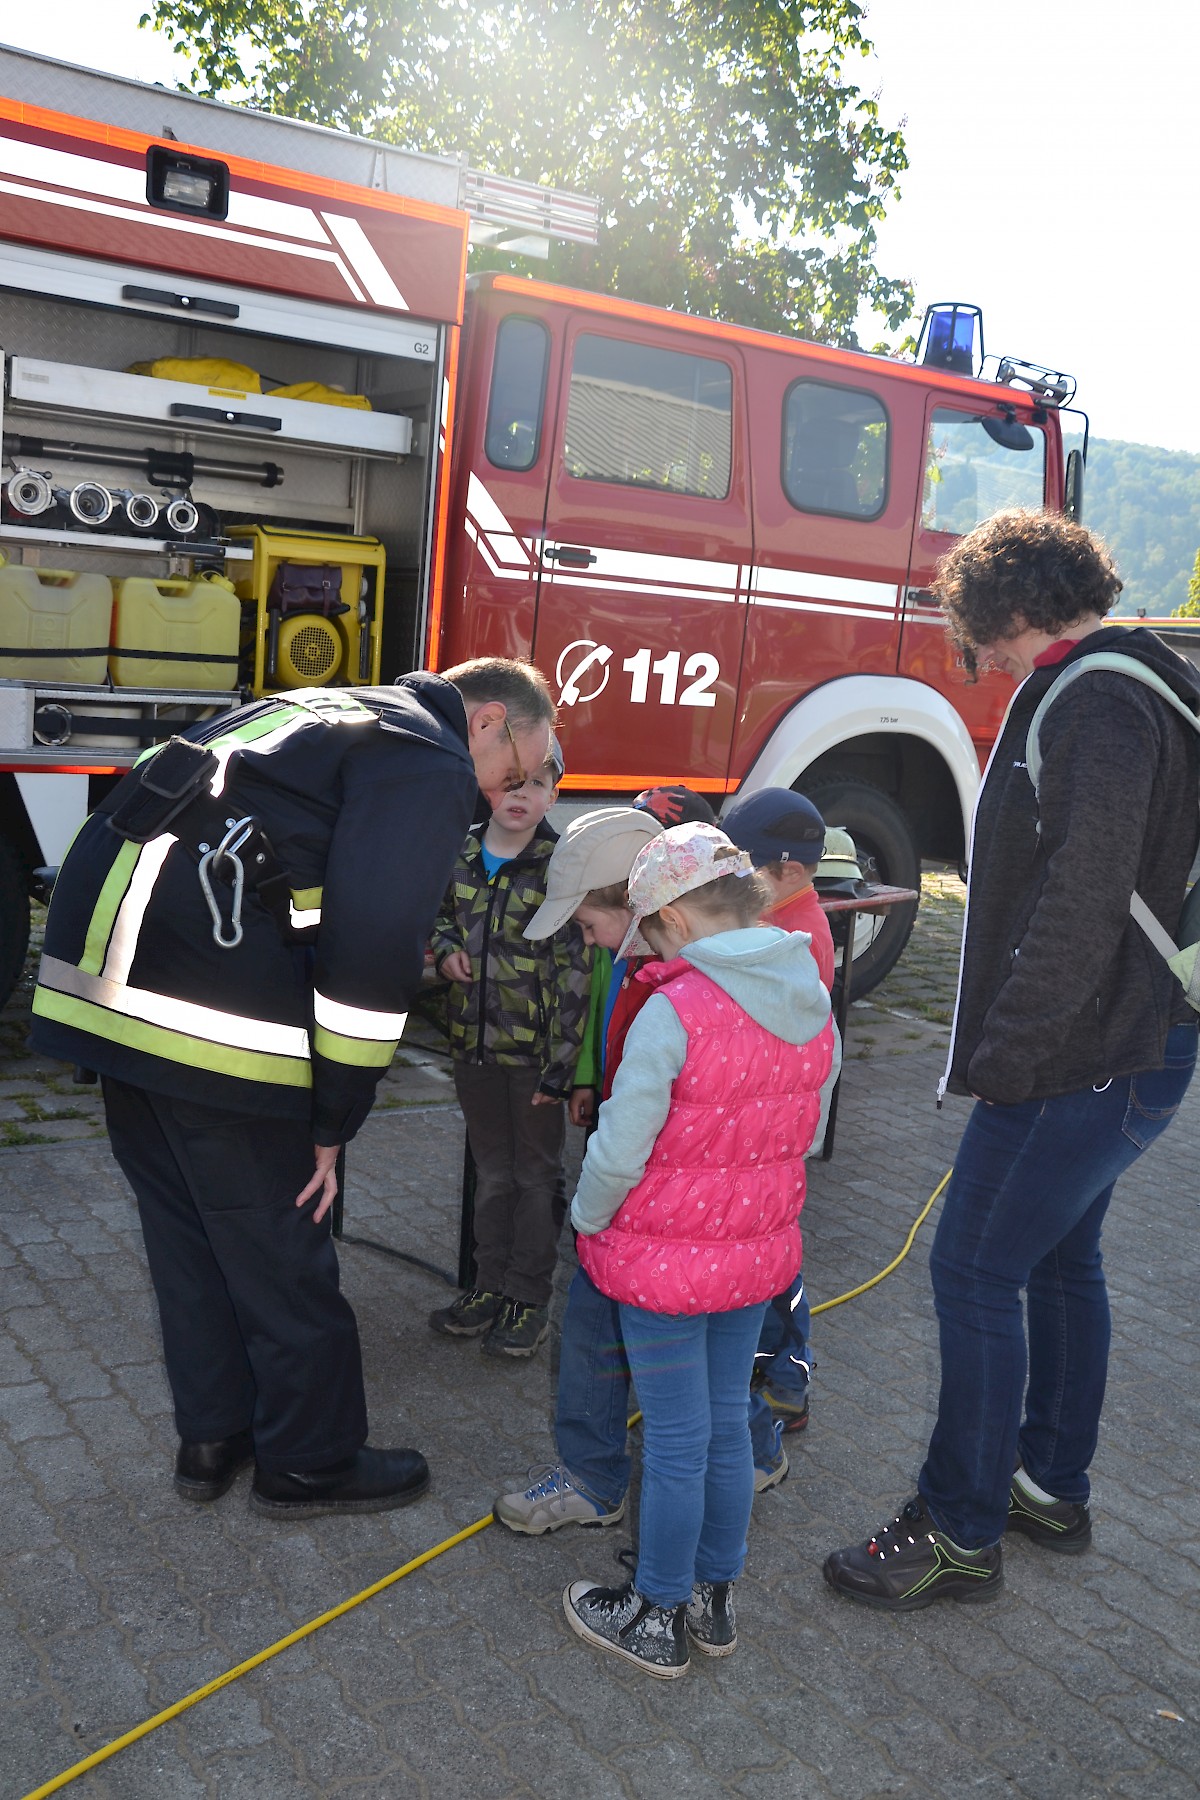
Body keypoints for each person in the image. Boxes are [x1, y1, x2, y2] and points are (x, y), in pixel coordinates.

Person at [31, 658, 554, 1517]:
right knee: (282, 1249)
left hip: (108, 994)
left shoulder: (327, 710)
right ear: (491, 719)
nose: (508, 790)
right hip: (203, 1012)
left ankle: (215, 1436)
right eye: (521, 766)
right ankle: (309, 1459)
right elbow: (375, 943)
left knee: (190, 1238)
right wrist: (332, 1116)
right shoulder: (429, 753)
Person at [824, 509, 1200, 1611]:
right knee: (1057, 1260)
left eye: (976, 638)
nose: (976, 662)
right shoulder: (1144, 674)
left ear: (1016, 612)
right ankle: (1047, 1483)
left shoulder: (1096, 700)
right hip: (1134, 1043)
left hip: (1083, 1054)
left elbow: (1082, 903)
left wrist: (1007, 1051)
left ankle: (957, 1528)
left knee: (972, 1269)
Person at [561, 823, 835, 1676]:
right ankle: (715, 1600)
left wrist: (588, 1217)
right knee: (723, 1433)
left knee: (675, 1442)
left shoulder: (676, 1010)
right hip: (754, 1260)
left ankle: (655, 1611)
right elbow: (808, 1129)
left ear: (673, 923)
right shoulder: (809, 995)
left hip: (665, 1269)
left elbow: (619, 1145)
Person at [427, 737, 591, 1358]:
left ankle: (529, 1296)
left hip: (535, 1061)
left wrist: (563, 1065)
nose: (520, 796)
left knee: (535, 1175)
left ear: (555, 792)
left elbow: (575, 976)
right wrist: (446, 952)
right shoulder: (461, 852)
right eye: (510, 782)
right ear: (486, 783)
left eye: (536, 785)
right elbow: (437, 915)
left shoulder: (560, 867)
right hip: (473, 1047)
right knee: (492, 1174)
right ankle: (486, 1286)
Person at [722, 787, 836, 1435]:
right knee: (761, 1262)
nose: (735, 883)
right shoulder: (776, 917)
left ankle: (788, 1376)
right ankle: (767, 1362)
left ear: (790, 871)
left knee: (777, 1268)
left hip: (773, 1135)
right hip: (758, 1130)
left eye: (746, 870)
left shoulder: (798, 938)